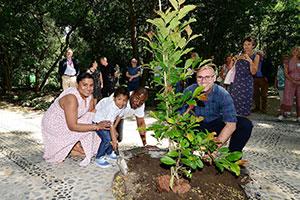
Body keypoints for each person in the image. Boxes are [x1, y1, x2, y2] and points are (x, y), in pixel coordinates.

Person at [41, 72, 111, 166]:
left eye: (91, 85)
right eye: (85, 85)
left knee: (91, 120)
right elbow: (73, 126)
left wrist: (107, 125)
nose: (88, 88)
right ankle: (71, 147)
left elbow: (91, 112)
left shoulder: (89, 96)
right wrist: (97, 126)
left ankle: (74, 145)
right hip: (55, 124)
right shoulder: (71, 98)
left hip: (71, 121)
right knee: (92, 126)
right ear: (77, 85)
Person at [180, 65, 253, 152]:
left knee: (245, 124)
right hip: (196, 126)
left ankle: (233, 157)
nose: (203, 81)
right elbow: (179, 118)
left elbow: (231, 124)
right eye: (200, 77)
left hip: (215, 125)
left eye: (207, 77)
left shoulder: (223, 94)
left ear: (214, 78)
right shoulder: (189, 91)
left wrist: (214, 150)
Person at [93, 87, 129, 168]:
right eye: (119, 99)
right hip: (98, 121)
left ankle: (109, 153)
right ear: (114, 98)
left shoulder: (123, 106)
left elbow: (119, 116)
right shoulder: (111, 108)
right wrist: (114, 142)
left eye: (124, 100)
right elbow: (111, 125)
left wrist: (115, 134)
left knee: (114, 136)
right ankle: (99, 157)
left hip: (108, 122)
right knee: (107, 139)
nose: (121, 102)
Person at [229, 36, 260, 116]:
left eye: (249, 44)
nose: (246, 46)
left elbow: (253, 72)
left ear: (253, 46)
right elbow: (230, 68)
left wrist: (249, 60)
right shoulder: (239, 55)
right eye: (244, 44)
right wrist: (233, 60)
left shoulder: (256, 56)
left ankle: (243, 124)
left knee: (244, 106)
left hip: (247, 83)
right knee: (233, 105)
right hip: (236, 83)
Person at [278, 47, 300, 122]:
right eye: (294, 50)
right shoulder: (287, 61)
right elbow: (285, 73)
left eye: (297, 50)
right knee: (287, 97)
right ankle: (282, 114)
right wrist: (293, 80)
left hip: (299, 82)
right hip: (289, 81)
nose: (295, 51)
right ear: (291, 51)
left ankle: (299, 116)